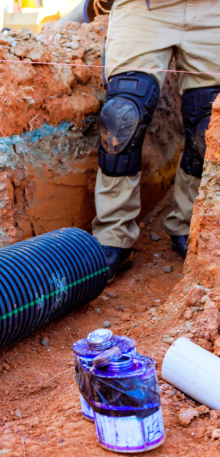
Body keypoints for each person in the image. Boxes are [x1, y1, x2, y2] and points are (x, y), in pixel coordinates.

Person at [92, 0, 220, 283]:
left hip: (213, 10)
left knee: (209, 127)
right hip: (145, 8)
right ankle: (113, 236)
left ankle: (192, 224)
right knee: (122, 117)